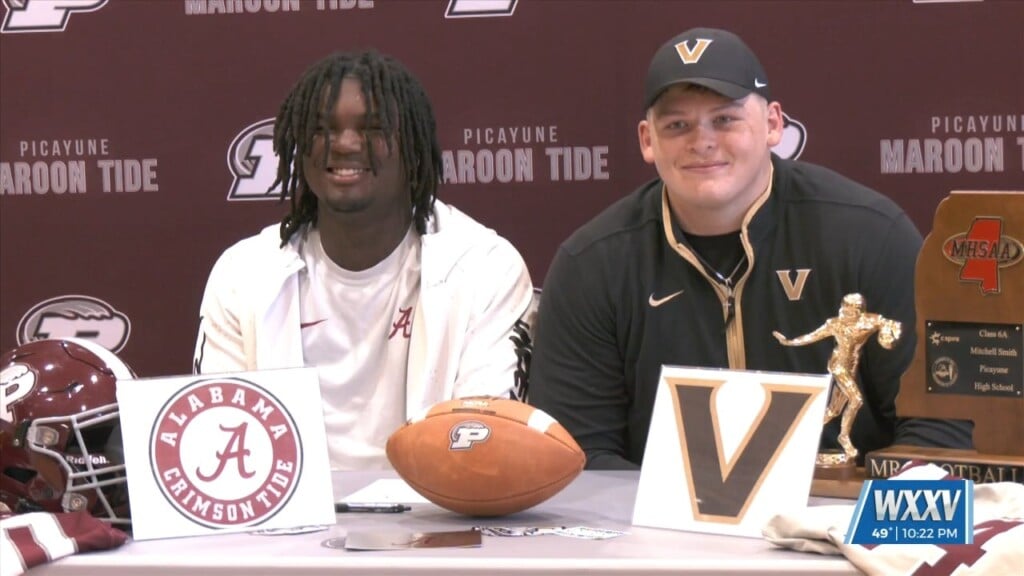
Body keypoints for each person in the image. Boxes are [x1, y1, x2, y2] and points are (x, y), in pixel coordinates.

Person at [528, 27, 972, 469]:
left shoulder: (868, 235)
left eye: (725, 119)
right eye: (677, 125)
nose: (702, 141)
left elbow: (942, 430)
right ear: (648, 140)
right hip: (659, 514)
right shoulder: (592, 265)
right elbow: (577, 458)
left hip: (845, 508)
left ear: (773, 124)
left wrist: (867, 513)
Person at [193, 51, 534, 470]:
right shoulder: (243, 274)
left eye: (373, 129)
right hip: (287, 509)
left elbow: (483, 444)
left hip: (435, 506)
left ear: (413, 146)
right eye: (322, 129)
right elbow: (219, 446)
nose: (345, 144)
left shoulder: (485, 267)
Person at [774, 293, 903, 463]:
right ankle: (844, 437)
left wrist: (890, 335)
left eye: (854, 307)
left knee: (833, 411)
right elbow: (812, 336)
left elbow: (892, 324)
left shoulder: (869, 322)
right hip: (838, 365)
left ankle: (800, 432)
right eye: (846, 306)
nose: (849, 311)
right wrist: (789, 342)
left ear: (860, 310)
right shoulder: (834, 324)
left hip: (852, 366)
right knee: (856, 400)